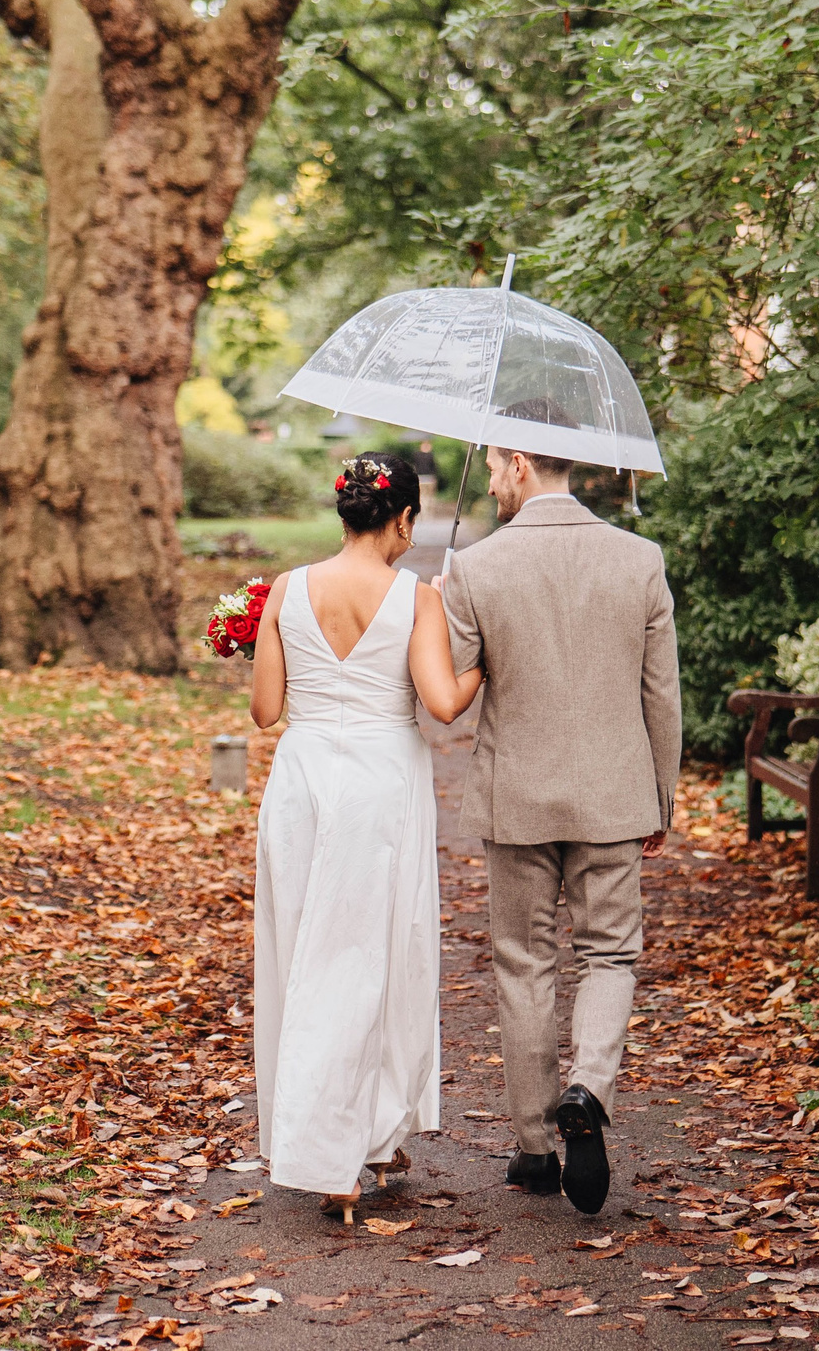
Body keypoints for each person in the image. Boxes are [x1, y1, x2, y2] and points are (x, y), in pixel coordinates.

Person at [437, 428, 681, 1215]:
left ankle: (538, 1148)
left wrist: (444, 605)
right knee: (611, 952)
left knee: (524, 962)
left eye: (495, 470)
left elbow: (451, 686)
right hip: (614, 792)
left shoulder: (476, 567)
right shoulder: (639, 559)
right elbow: (661, 693)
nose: (492, 487)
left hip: (518, 794)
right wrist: (661, 793)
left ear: (518, 462)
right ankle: (590, 1086)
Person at [245, 449, 484, 1222]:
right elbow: (444, 702)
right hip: (381, 784)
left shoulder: (286, 590)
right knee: (376, 956)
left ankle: (341, 1143)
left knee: (305, 957)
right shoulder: (416, 598)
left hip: (304, 781)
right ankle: (353, 1150)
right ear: (403, 519)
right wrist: (482, 656)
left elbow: (265, 710)